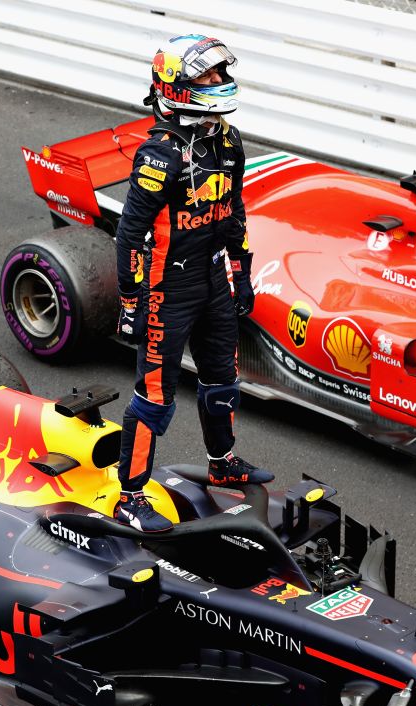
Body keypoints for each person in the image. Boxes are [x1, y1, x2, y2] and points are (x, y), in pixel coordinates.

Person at [113, 34, 273, 532]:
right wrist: (129, 299)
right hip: (166, 290)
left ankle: (221, 462)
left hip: (212, 281)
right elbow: (129, 234)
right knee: (156, 393)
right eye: (208, 76)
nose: (220, 82)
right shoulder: (159, 156)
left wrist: (241, 272)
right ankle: (131, 495)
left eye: (220, 74)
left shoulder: (227, 139)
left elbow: (234, 212)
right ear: (177, 87)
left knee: (222, 377)